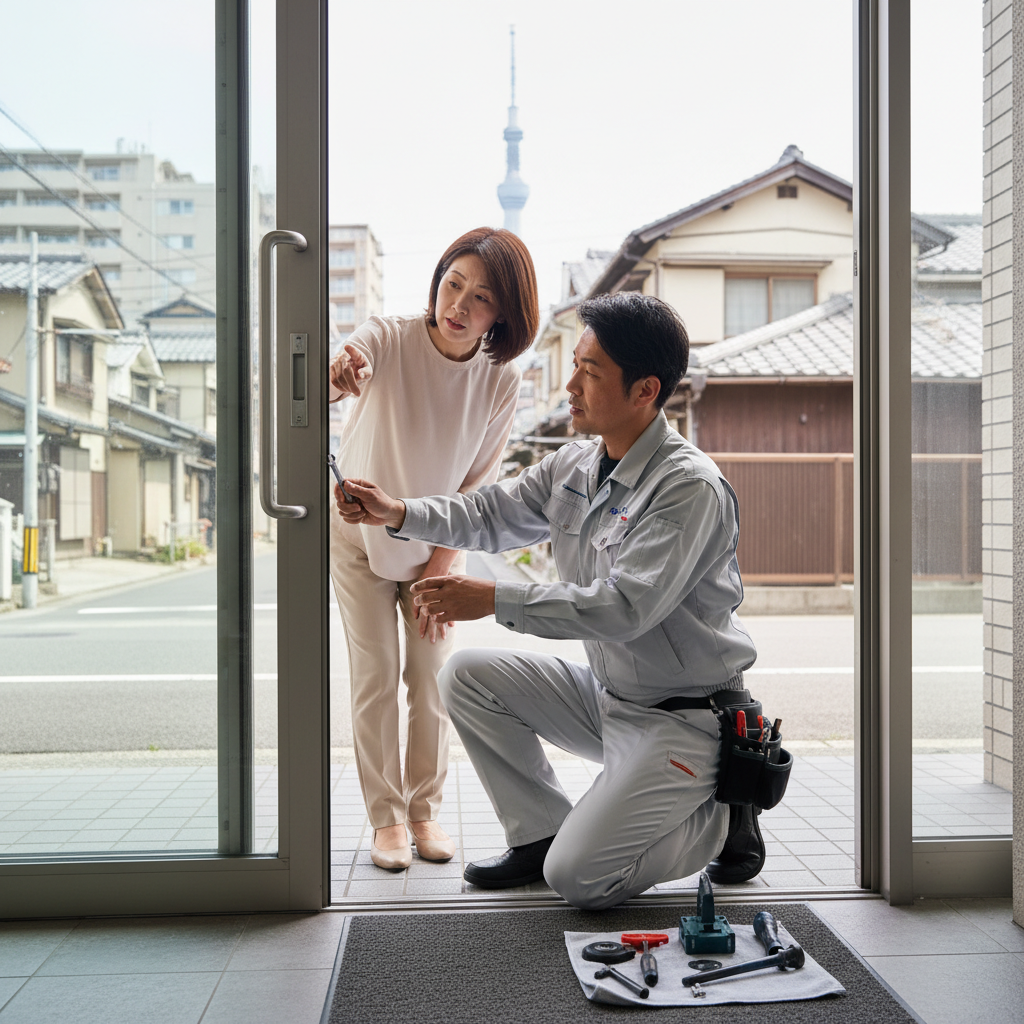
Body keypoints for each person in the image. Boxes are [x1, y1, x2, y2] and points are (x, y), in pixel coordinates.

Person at [335, 292, 765, 910]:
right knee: (467, 676)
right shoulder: (576, 463)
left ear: (645, 390)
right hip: (611, 698)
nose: (570, 385)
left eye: (589, 372)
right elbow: (490, 513)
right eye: (576, 366)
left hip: (683, 717)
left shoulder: (686, 488)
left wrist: (493, 599)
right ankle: (541, 833)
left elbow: (623, 608)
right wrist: (397, 511)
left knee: (580, 880)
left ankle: (721, 816)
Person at [328, 227, 538, 871]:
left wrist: (446, 562)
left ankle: (424, 812)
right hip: (359, 536)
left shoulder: (501, 379)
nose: (459, 305)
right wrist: (340, 371)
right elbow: (343, 369)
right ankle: (386, 820)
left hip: (437, 544)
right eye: (454, 284)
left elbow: (479, 480)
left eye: (480, 298)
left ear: (501, 314)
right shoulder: (387, 338)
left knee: (430, 679)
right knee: (375, 678)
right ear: (438, 280)